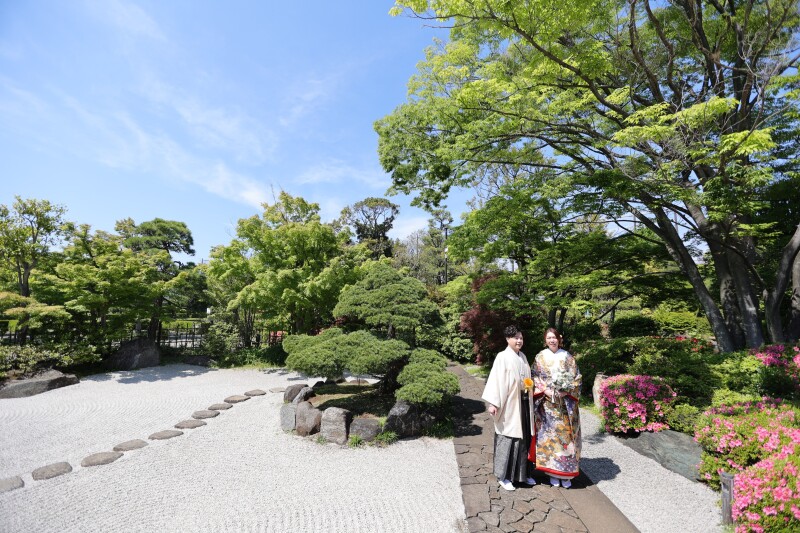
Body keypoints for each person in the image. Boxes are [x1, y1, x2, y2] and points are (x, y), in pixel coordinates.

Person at [481, 325, 536, 491]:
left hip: (524, 403)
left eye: (521, 338)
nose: (519, 341)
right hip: (509, 404)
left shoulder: (523, 356)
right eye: (515, 338)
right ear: (508, 339)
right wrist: (493, 403)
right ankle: (503, 476)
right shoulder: (502, 356)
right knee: (508, 437)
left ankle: (523, 475)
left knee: (524, 437)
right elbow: (495, 380)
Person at [530, 327, 582, 489]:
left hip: (564, 404)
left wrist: (566, 390)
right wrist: (544, 390)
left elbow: (576, 377)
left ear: (559, 339)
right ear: (545, 340)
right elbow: (534, 376)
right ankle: (552, 473)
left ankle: (566, 473)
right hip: (546, 404)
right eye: (549, 338)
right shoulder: (540, 356)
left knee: (566, 436)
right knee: (549, 437)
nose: (552, 340)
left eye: (554, 337)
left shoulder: (567, 357)